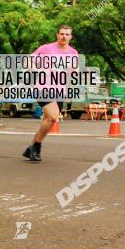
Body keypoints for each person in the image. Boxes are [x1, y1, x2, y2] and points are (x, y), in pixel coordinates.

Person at [22, 25, 78, 162]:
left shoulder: (73, 53)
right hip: (42, 87)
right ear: (57, 35)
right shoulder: (46, 48)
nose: (64, 36)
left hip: (59, 90)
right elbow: (27, 61)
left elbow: (73, 70)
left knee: (47, 121)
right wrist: (37, 70)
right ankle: (37, 146)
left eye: (67, 34)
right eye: (62, 34)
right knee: (53, 117)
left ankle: (30, 148)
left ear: (70, 37)